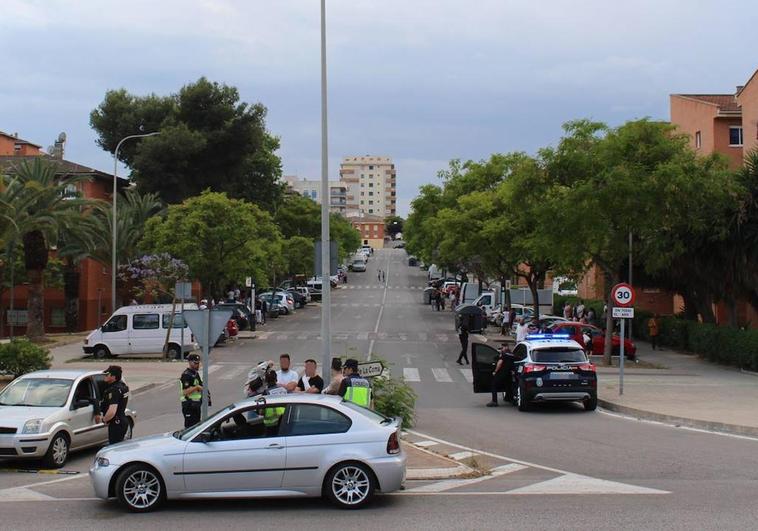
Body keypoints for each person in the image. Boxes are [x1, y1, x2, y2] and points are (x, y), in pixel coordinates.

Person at [95, 365, 130, 444]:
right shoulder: (123, 386)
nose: (105, 376)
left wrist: (104, 419)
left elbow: (112, 411)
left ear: (113, 377)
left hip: (116, 424)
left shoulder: (114, 390)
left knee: (115, 448)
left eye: (107, 374)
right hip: (122, 420)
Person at [180, 353, 206, 428]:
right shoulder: (186, 375)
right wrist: (196, 387)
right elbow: (185, 392)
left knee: (197, 427)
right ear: (190, 362)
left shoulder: (195, 374)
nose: (197, 365)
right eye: (195, 363)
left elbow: (201, 386)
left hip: (196, 405)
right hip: (189, 405)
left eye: (198, 363)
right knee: (190, 428)